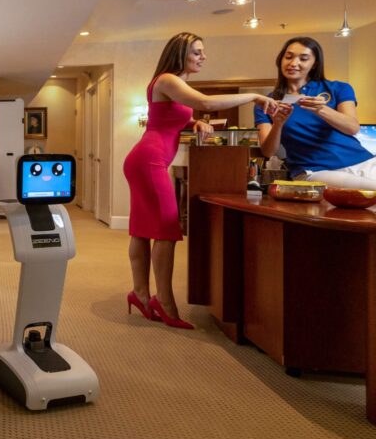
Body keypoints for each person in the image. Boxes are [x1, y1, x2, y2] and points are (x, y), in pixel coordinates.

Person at [123, 33, 286, 329]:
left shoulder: (171, 83)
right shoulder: (168, 79)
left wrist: (194, 122)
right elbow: (206, 102)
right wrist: (254, 96)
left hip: (146, 159)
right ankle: (165, 301)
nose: (203, 57)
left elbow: (166, 117)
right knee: (166, 229)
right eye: (197, 52)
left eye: (202, 52)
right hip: (149, 160)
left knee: (143, 228)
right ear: (180, 54)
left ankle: (141, 294)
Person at [256, 36, 375, 189]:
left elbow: (352, 127)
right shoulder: (268, 102)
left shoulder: (338, 88)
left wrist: (321, 110)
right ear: (281, 60)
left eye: (303, 59)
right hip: (314, 171)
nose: (294, 63)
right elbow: (268, 151)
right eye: (289, 57)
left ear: (314, 64)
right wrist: (278, 123)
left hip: (364, 161)